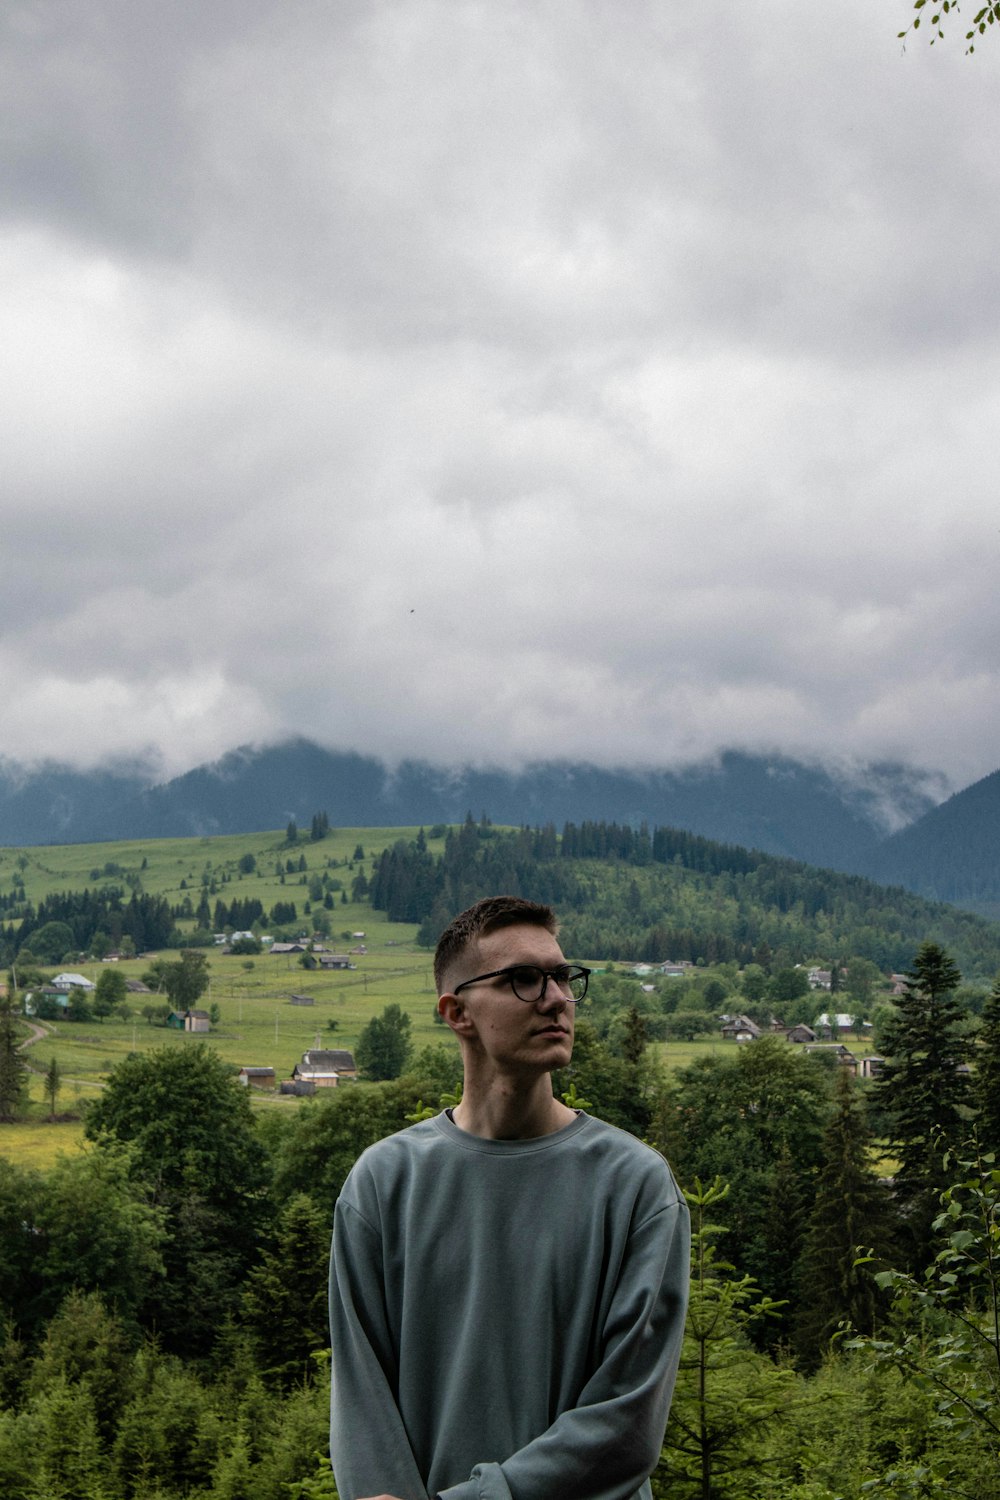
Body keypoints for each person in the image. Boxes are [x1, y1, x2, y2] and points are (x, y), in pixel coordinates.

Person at [329, 894, 690, 1500]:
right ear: (457, 1012)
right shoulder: (384, 1184)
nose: (556, 998)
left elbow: (627, 1424)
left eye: (563, 977)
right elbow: (362, 1407)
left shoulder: (636, 1186)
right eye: (524, 979)